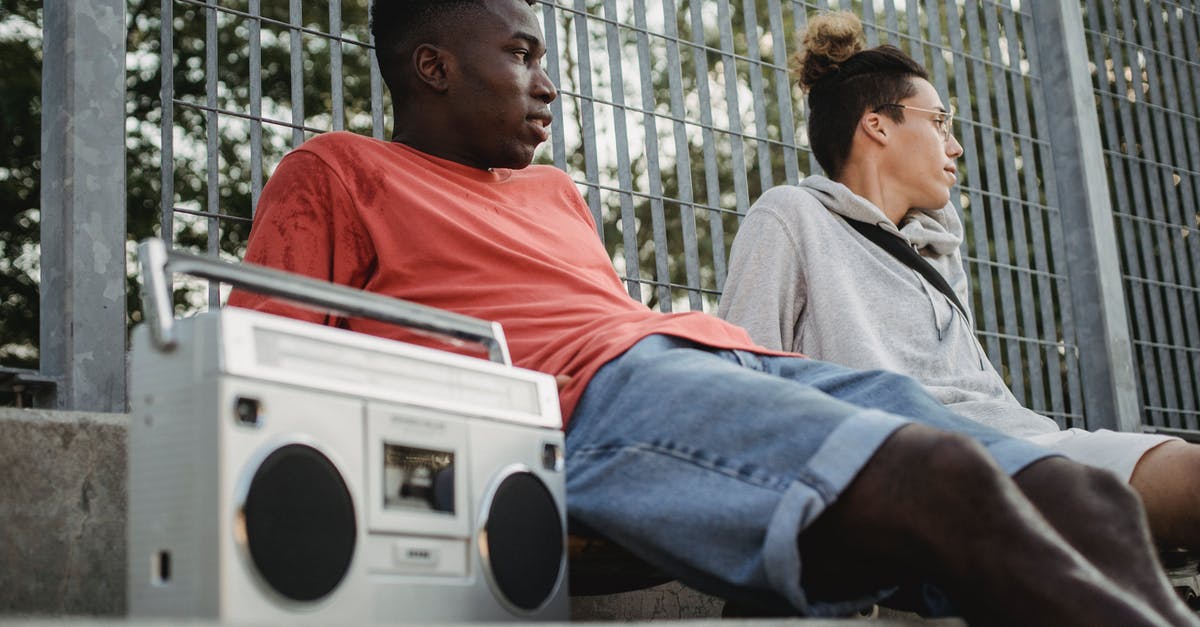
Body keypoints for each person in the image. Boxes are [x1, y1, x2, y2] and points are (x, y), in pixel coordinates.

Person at [228, 1, 1196, 623]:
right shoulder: (340, 170)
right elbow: (264, 363)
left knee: (1085, 496)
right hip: (578, 400)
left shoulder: (552, 192)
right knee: (933, 468)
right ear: (432, 66)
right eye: (521, 54)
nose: (549, 82)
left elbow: (615, 317)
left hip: (703, 356)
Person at [717, 11, 1200, 554]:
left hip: (1019, 442)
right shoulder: (791, 215)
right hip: (921, 465)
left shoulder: (937, 252)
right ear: (878, 123)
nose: (956, 147)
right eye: (940, 122)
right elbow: (741, 383)